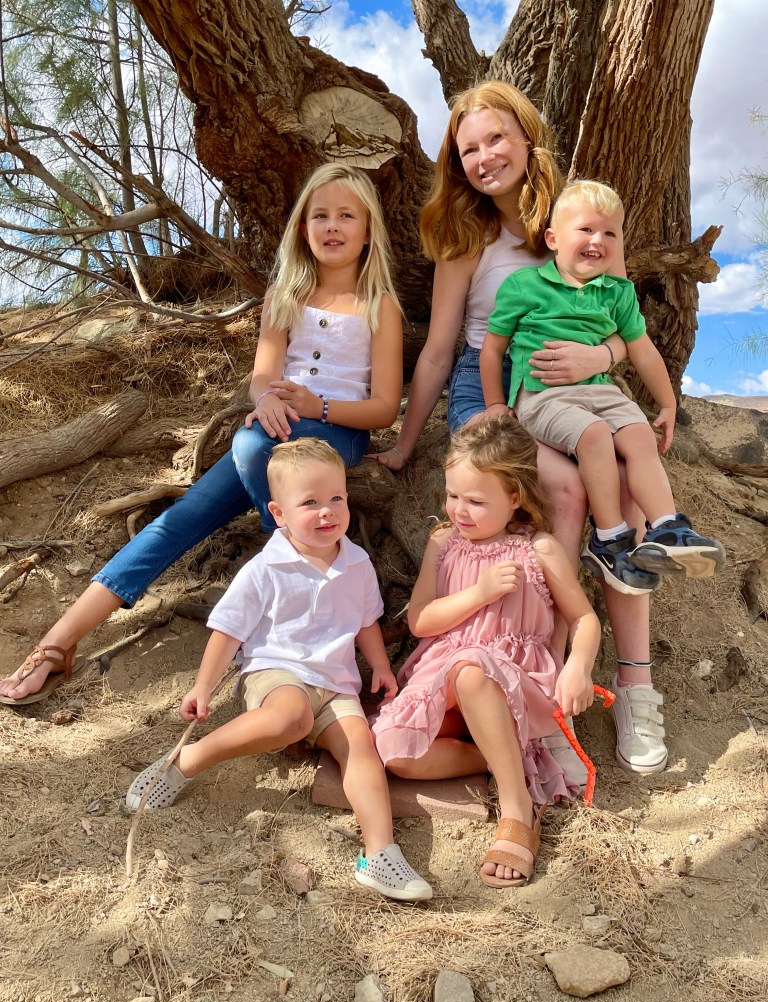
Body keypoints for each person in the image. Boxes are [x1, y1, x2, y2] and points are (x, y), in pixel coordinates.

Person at [1, 163, 402, 707]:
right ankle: (58, 642)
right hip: (276, 430)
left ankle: (289, 574)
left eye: (346, 216)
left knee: (250, 445)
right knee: (181, 518)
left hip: (338, 434)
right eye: (320, 215)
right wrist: (266, 400)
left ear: (368, 229)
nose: (333, 226)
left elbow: (383, 408)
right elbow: (263, 377)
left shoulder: (379, 306)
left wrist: (319, 406)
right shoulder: (285, 295)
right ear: (302, 228)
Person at [368, 81, 668, 776]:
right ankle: (547, 688)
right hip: (490, 385)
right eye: (468, 149)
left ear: (528, 138)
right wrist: (408, 442)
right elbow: (439, 349)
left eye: (496, 138)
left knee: (626, 488)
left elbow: (623, 322)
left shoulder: (582, 216)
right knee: (564, 490)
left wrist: (602, 357)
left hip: (577, 379)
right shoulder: (465, 236)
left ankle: (635, 683)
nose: (484, 157)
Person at [125, 438, 432, 902]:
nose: (327, 511)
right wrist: (203, 686)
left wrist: (380, 667)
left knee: (360, 749)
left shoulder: (357, 562)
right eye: (310, 502)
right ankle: (184, 761)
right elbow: (228, 631)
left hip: (336, 684)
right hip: (276, 672)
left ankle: (379, 853)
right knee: (291, 716)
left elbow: (366, 622)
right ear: (279, 513)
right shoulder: (265, 568)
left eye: (337, 498)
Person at [372, 417, 600, 888]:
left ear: (515, 496)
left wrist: (578, 666)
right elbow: (420, 621)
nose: (460, 510)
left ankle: (518, 809)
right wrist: (479, 593)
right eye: (453, 495)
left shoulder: (538, 549)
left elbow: (584, 618)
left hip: (511, 679)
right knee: (395, 753)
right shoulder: (443, 542)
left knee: (472, 668)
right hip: (442, 676)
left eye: (476, 501)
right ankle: (505, 758)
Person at [480, 179, 726, 596]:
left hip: (601, 392)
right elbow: (492, 349)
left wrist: (667, 404)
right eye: (586, 230)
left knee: (639, 435)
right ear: (553, 239)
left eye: (610, 233)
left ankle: (666, 528)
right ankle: (609, 540)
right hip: (542, 395)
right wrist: (494, 404)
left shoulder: (618, 293)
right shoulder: (524, 286)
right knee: (594, 435)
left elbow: (643, 351)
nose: (598, 240)